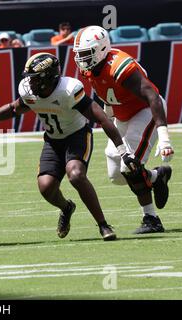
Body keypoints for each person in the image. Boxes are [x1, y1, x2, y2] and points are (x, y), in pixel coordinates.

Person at [0, 52, 142, 241]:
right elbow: (15, 108)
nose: (29, 83)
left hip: (77, 136)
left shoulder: (69, 90)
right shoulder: (29, 90)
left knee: (76, 175)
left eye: (34, 79)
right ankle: (66, 207)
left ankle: (103, 224)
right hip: (53, 140)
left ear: (48, 77)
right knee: (46, 187)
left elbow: (101, 118)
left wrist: (123, 152)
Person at [73, 25, 173, 234]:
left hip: (145, 111)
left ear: (101, 49)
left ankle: (151, 218)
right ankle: (156, 177)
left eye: (86, 54)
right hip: (122, 114)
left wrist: (164, 137)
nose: (82, 59)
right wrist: (109, 110)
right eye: (79, 55)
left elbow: (152, 96)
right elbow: (106, 90)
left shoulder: (119, 65)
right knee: (115, 175)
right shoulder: (91, 67)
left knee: (129, 165)